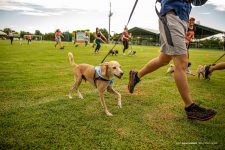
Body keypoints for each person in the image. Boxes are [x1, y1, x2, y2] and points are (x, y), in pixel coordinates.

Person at [128, 0, 217, 121]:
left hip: (181, 18)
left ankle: (136, 76)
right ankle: (190, 107)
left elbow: (197, 1)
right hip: (172, 15)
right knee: (181, 63)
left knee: (164, 59)